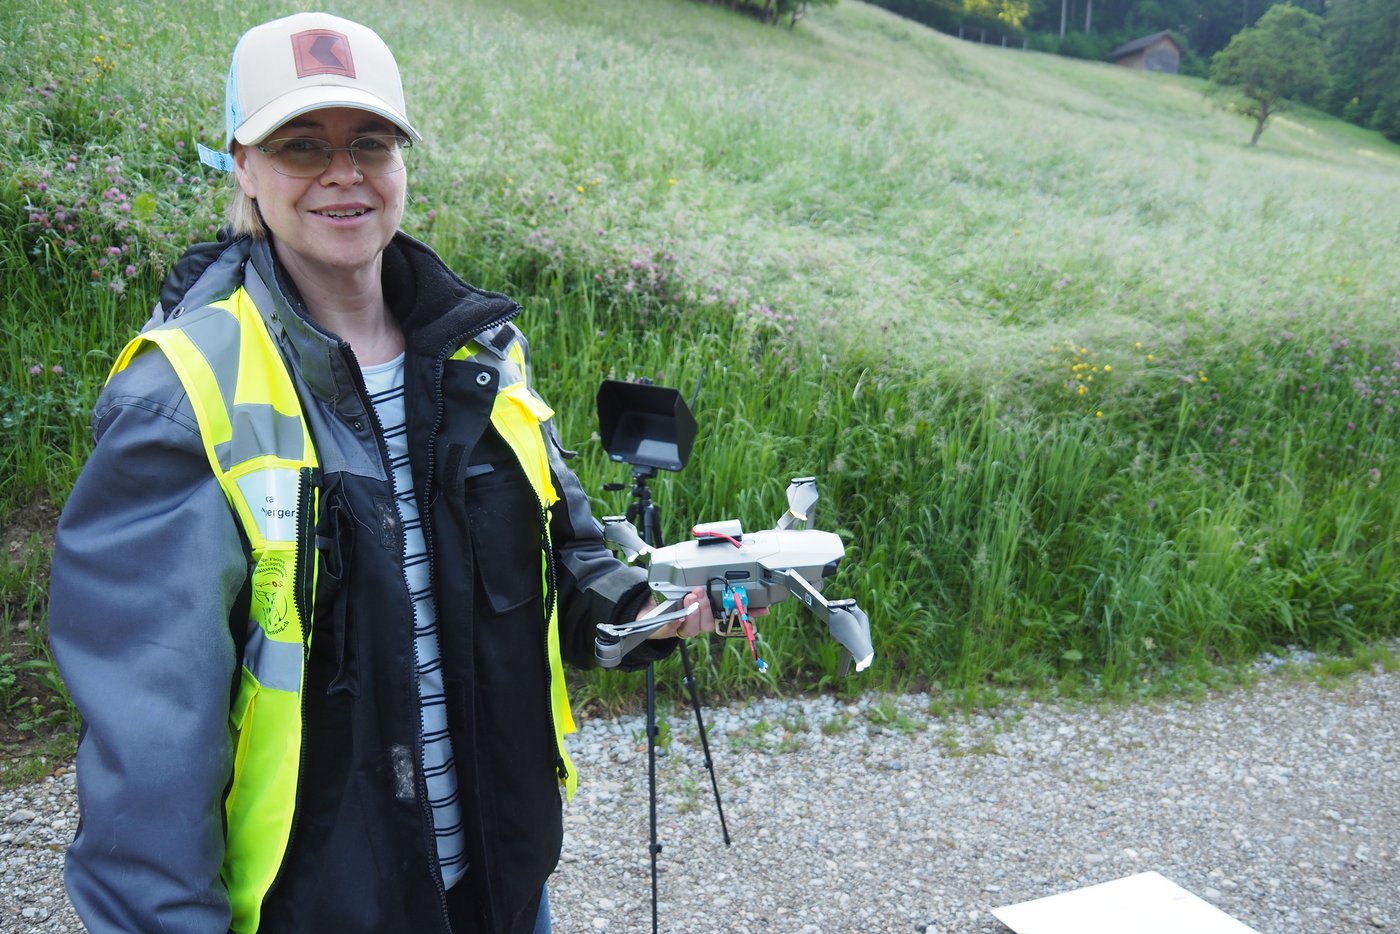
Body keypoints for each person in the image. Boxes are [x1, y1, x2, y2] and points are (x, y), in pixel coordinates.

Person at [47, 12, 715, 933]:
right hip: (323, 902)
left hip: (501, 880)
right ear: (241, 167)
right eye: (298, 145)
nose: (342, 172)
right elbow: (150, 748)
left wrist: (648, 604)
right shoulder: (183, 395)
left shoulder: (482, 353)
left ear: (403, 161)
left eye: (370, 141)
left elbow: (562, 566)